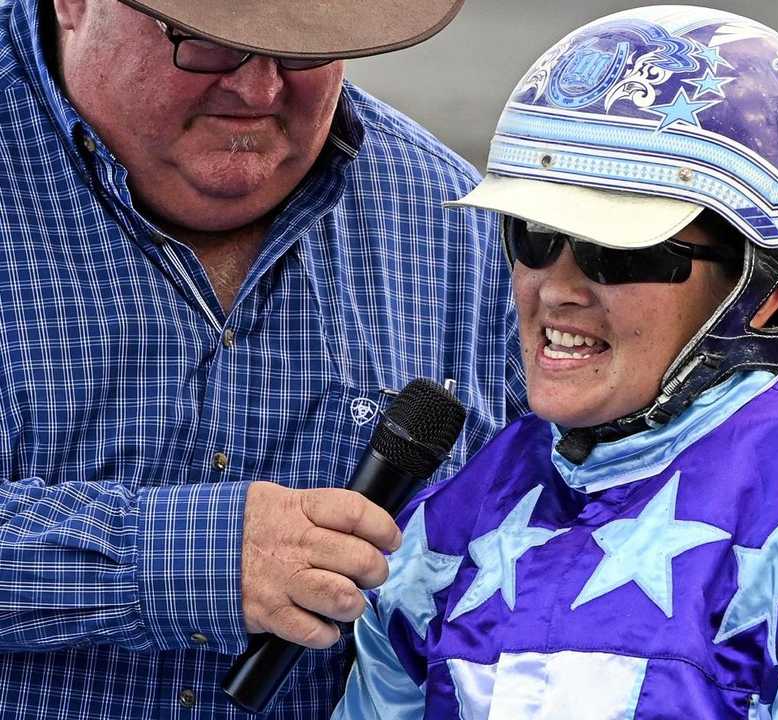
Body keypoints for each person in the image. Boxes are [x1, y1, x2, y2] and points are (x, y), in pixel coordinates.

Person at [336, 6, 778, 719]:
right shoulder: (443, 532)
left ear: (774, 294)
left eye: (619, 252)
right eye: (536, 235)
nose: (556, 287)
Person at [0, 0, 526, 717]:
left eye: (302, 47)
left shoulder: (458, 231)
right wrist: (189, 558)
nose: (258, 89)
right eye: (207, 41)